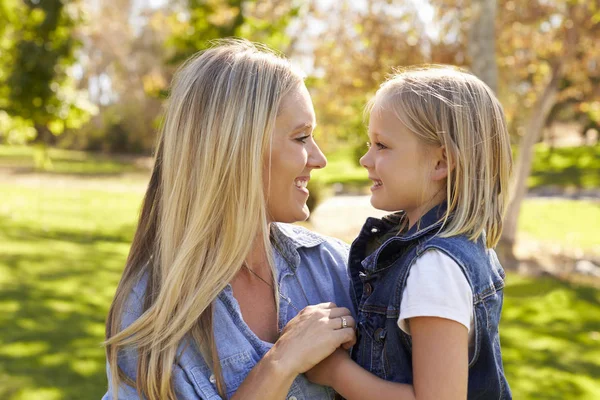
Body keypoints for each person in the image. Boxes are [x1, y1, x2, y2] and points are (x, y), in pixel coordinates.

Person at [102, 38, 356, 400]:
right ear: (238, 149)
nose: (319, 159)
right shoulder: (152, 309)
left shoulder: (336, 268)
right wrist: (280, 363)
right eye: (301, 138)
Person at [306, 66, 513, 399]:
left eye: (382, 146)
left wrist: (336, 372)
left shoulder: (435, 269)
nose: (365, 159)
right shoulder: (451, 249)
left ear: (440, 163)